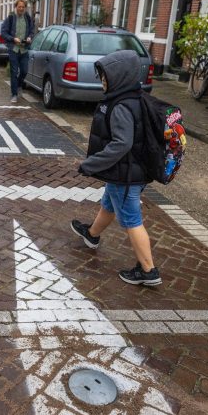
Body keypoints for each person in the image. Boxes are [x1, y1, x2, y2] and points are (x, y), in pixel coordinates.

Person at [71, 50, 162, 287]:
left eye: (105, 78)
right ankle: (92, 234)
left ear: (119, 77)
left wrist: (90, 165)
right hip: (132, 171)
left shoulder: (121, 106)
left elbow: (122, 144)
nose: (102, 82)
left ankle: (148, 270)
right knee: (110, 203)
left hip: (126, 174)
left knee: (132, 220)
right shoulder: (135, 97)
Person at [0, 0, 34, 103]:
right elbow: (3, 33)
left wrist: (29, 37)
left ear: (25, 8)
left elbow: (32, 31)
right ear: (16, 7)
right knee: (14, 72)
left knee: (24, 71)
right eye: (19, 7)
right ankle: (14, 94)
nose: (21, 9)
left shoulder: (28, 18)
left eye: (23, 7)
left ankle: (19, 85)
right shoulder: (10, 18)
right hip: (14, 49)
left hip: (24, 49)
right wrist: (13, 39)